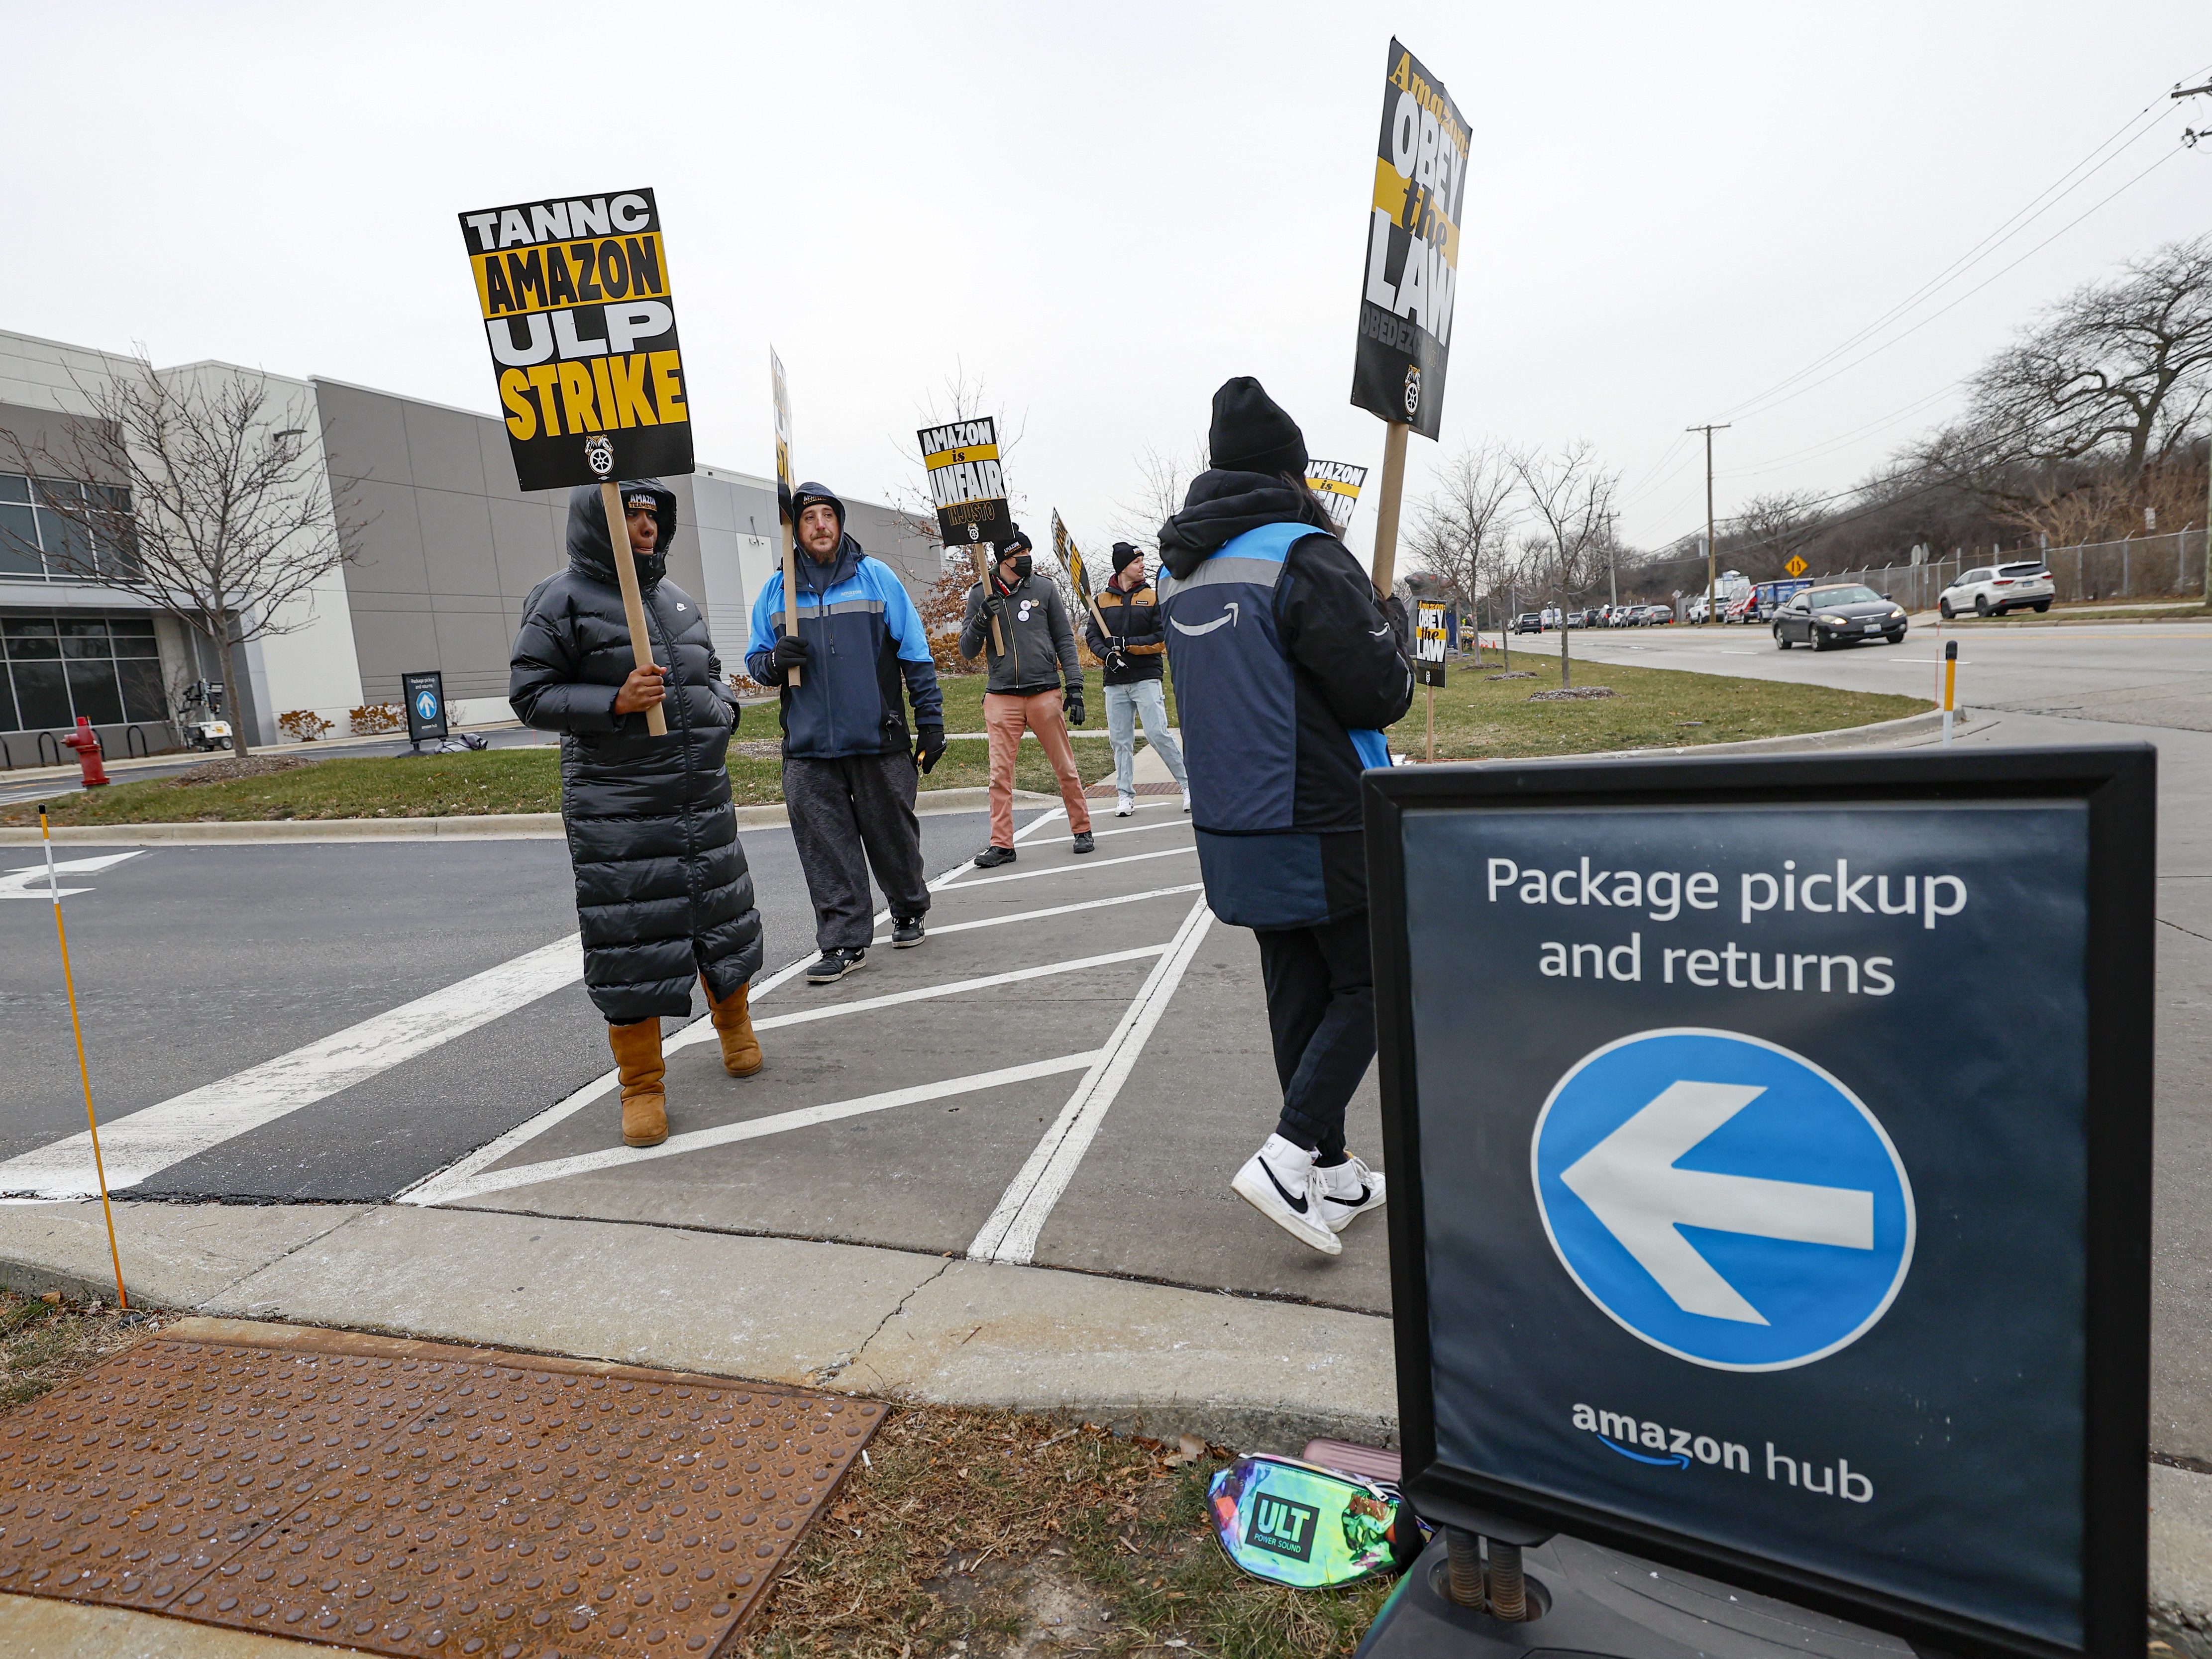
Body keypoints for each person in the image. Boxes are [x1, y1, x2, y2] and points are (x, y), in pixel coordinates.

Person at [1156, 378, 1413, 1256]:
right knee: (1377, 977)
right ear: (1289, 471)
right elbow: (1379, 691)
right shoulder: (1303, 555)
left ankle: (1334, 1170)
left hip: (1233, 820)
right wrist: (1392, 626)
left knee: (1299, 987)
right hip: (1322, 811)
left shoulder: (1179, 571)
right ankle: (1288, 1152)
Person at [510, 481, 764, 1151]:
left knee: (722, 920)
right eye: (632, 512)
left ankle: (736, 1029)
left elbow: (708, 672)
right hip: (619, 807)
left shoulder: (675, 599)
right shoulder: (558, 599)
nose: (646, 524)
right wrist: (615, 700)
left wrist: (722, 713)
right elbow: (531, 694)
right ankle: (642, 1085)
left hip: (699, 796)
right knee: (631, 942)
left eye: (653, 514)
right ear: (600, 518)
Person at [745, 482, 945, 985]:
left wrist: (931, 721)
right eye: (808, 517)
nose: (818, 525)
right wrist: (774, 661)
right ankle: (842, 941)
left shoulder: (875, 578)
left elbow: (915, 654)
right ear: (796, 527)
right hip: (809, 747)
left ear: (839, 522)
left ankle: (908, 906)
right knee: (826, 850)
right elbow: (755, 660)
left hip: (878, 738)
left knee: (892, 838)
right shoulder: (777, 590)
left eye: (826, 515)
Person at [958, 526, 1095, 866]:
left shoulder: (1044, 588)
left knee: (1065, 767)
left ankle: (1082, 829)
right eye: (1020, 555)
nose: (1026, 560)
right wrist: (980, 619)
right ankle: (1002, 844)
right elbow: (966, 650)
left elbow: (1064, 638)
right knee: (999, 776)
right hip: (1002, 696)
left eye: (1028, 554)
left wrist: (1074, 687)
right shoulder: (981, 593)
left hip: (1044, 692)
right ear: (1003, 559)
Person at [1083, 542, 1191, 818]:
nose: (1142, 565)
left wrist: (1127, 645)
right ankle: (1124, 795)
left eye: (1142, 560)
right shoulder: (1101, 601)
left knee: (1157, 734)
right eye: (1136, 562)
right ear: (1122, 568)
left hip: (1146, 677)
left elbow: (1161, 638)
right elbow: (1093, 637)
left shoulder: (1153, 597)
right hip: (1115, 681)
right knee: (1121, 741)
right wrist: (1107, 656)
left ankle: (1189, 786)